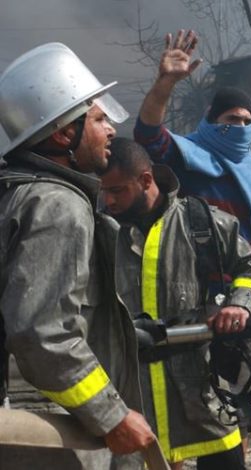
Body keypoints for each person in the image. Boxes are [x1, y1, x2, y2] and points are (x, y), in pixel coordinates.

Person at [0, 43, 154, 468]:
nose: (111, 131)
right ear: (64, 134)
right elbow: (42, 335)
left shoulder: (16, 193)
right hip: (49, 430)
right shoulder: (57, 205)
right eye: (99, 119)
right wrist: (111, 414)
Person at [101, 137, 251, 469]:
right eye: (104, 191)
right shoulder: (103, 232)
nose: (108, 200)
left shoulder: (200, 221)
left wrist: (239, 304)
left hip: (201, 390)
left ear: (145, 180)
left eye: (117, 190)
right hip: (134, 394)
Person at [134, 29, 251, 318]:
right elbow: (148, 134)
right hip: (190, 292)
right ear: (211, 118)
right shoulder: (185, 154)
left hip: (244, 294)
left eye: (246, 121)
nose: (240, 128)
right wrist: (165, 83)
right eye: (232, 119)